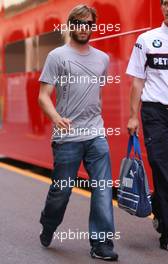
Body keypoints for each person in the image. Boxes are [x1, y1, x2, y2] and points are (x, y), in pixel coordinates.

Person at [38, 4, 118, 261]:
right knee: (62, 191)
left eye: (88, 24)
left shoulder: (102, 58)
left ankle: (101, 242)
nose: (84, 28)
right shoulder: (56, 56)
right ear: (71, 25)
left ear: (93, 27)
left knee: (103, 187)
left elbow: (96, 93)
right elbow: (43, 96)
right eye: (79, 23)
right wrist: (55, 117)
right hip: (67, 137)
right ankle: (49, 224)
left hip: (96, 133)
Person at [126, 0, 168, 252]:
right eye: (165, 3)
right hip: (156, 114)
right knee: (166, 172)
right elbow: (137, 81)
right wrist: (133, 116)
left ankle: (158, 205)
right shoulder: (147, 40)